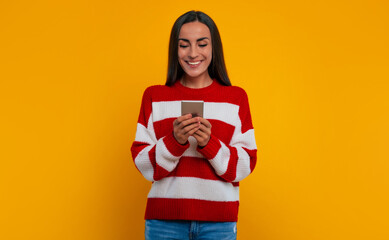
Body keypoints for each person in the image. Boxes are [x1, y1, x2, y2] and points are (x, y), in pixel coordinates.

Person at [131, 10, 257, 240]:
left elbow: (245, 165)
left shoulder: (236, 98)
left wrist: (209, 143)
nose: (193, 53)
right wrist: (174, 141)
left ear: (213, 48)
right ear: (174, 49)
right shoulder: (154, 96)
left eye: (202, 44)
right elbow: (143, 165)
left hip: (219, 223)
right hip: (164, 223)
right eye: (184, 45)